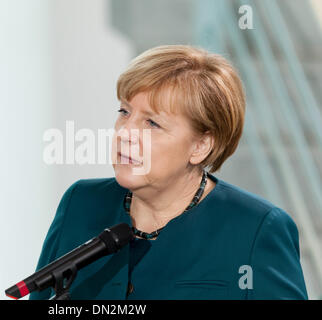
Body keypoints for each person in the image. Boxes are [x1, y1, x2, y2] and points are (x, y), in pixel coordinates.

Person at [29, 45, 307, 300]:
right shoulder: (80, 202)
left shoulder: (257, 228)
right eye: (124, 112)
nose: (125, 133)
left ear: (200, 146)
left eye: (152, 123)